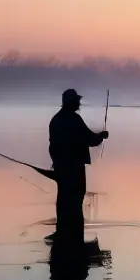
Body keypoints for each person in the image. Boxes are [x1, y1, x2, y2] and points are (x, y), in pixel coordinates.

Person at [48, 88, 108, 237]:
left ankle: (62, 231)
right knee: (76, 198)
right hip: (75, 167)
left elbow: (52, 146)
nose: (79, 103)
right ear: (71, 102)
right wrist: (101, 136)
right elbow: (89, 139)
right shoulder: (74, 120)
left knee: (63, 198)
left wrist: (57, 163)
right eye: (77, 101)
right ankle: (74, 233)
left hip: (61, 167)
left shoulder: (56, 120)